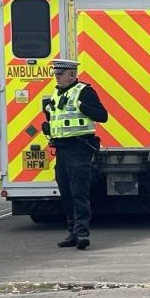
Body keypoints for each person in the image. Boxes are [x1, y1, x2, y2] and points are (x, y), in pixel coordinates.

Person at [42, 59, 108, 250]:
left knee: (79, 192)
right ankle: (72, 231)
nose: (57, 77)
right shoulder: (57, 92)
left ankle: (81, 233)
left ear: (71, 74)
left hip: (80, 148)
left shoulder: (84, 92)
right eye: (55, 74)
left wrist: (84, 107)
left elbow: (102, 116)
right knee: (66, 192)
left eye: (60, 74)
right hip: (62, 150)